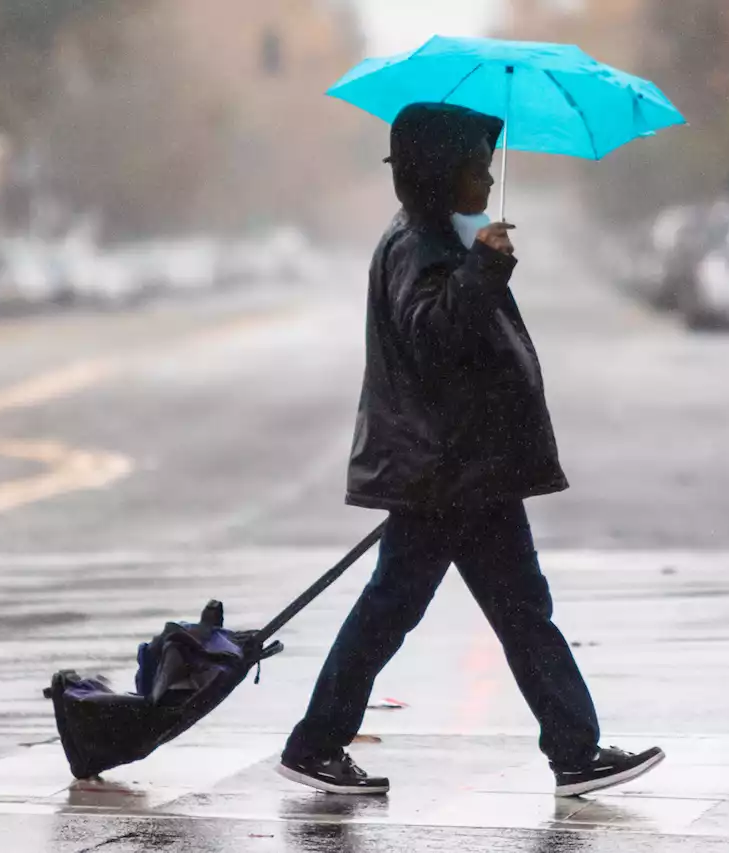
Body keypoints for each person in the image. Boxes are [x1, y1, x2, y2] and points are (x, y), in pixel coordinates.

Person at [276, 102, 664, 797]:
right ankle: (317, 743)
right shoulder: (417, 247)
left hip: (464, 468)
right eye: (474, 167)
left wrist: (481, 265)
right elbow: (432, 341)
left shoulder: (439, 241)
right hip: (444, 472)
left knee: (487, 608)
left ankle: (573, 749)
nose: (487, 179)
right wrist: (484, 270)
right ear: (438, 173)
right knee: (424, 609)